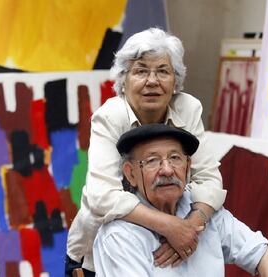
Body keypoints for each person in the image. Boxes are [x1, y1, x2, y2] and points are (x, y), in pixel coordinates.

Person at [66, 28, 227, 276]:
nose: (152, 81)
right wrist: (170, 226)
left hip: (162, 248)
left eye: (163, 71)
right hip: (101, 252)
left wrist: (189, 227)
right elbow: (102, 197)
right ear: (123, 80)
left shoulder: (188, 108)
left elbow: (209, 178)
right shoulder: (109, 116)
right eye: (141, 71)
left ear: (176, 80)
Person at [93, 124, 268, 277]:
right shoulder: (119, 236)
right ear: (131, 174)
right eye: (152, 161)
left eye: (175, 158)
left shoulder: (204, 211)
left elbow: (265, 254)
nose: (167, 170)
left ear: (188, 167)